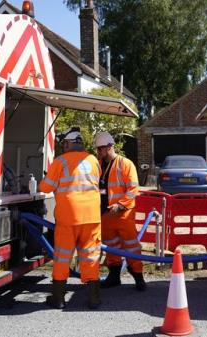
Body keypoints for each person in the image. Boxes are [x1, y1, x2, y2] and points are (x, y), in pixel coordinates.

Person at [39, 127, 103, 309]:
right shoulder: (93, 160)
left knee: (62, 257)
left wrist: (46, 180)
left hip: (69, 217)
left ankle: (58, 298)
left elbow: (45, 188)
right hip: (91, 217)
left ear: (69, 143)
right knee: (90, 256)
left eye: (64, 143)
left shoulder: (60, 161)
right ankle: (94, 298)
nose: (63, 146)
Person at [94, 131, 146, 291]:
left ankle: (138, 277)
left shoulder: (125, 164)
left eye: (101, 149)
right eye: (98, 149)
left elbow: (133, 188)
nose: (99, 152)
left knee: (131, 246)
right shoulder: (98, 164)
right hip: (105, 215)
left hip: (123, 214)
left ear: (110, 147)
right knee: (111, 247)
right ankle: (114, 277)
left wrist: (121, 205)